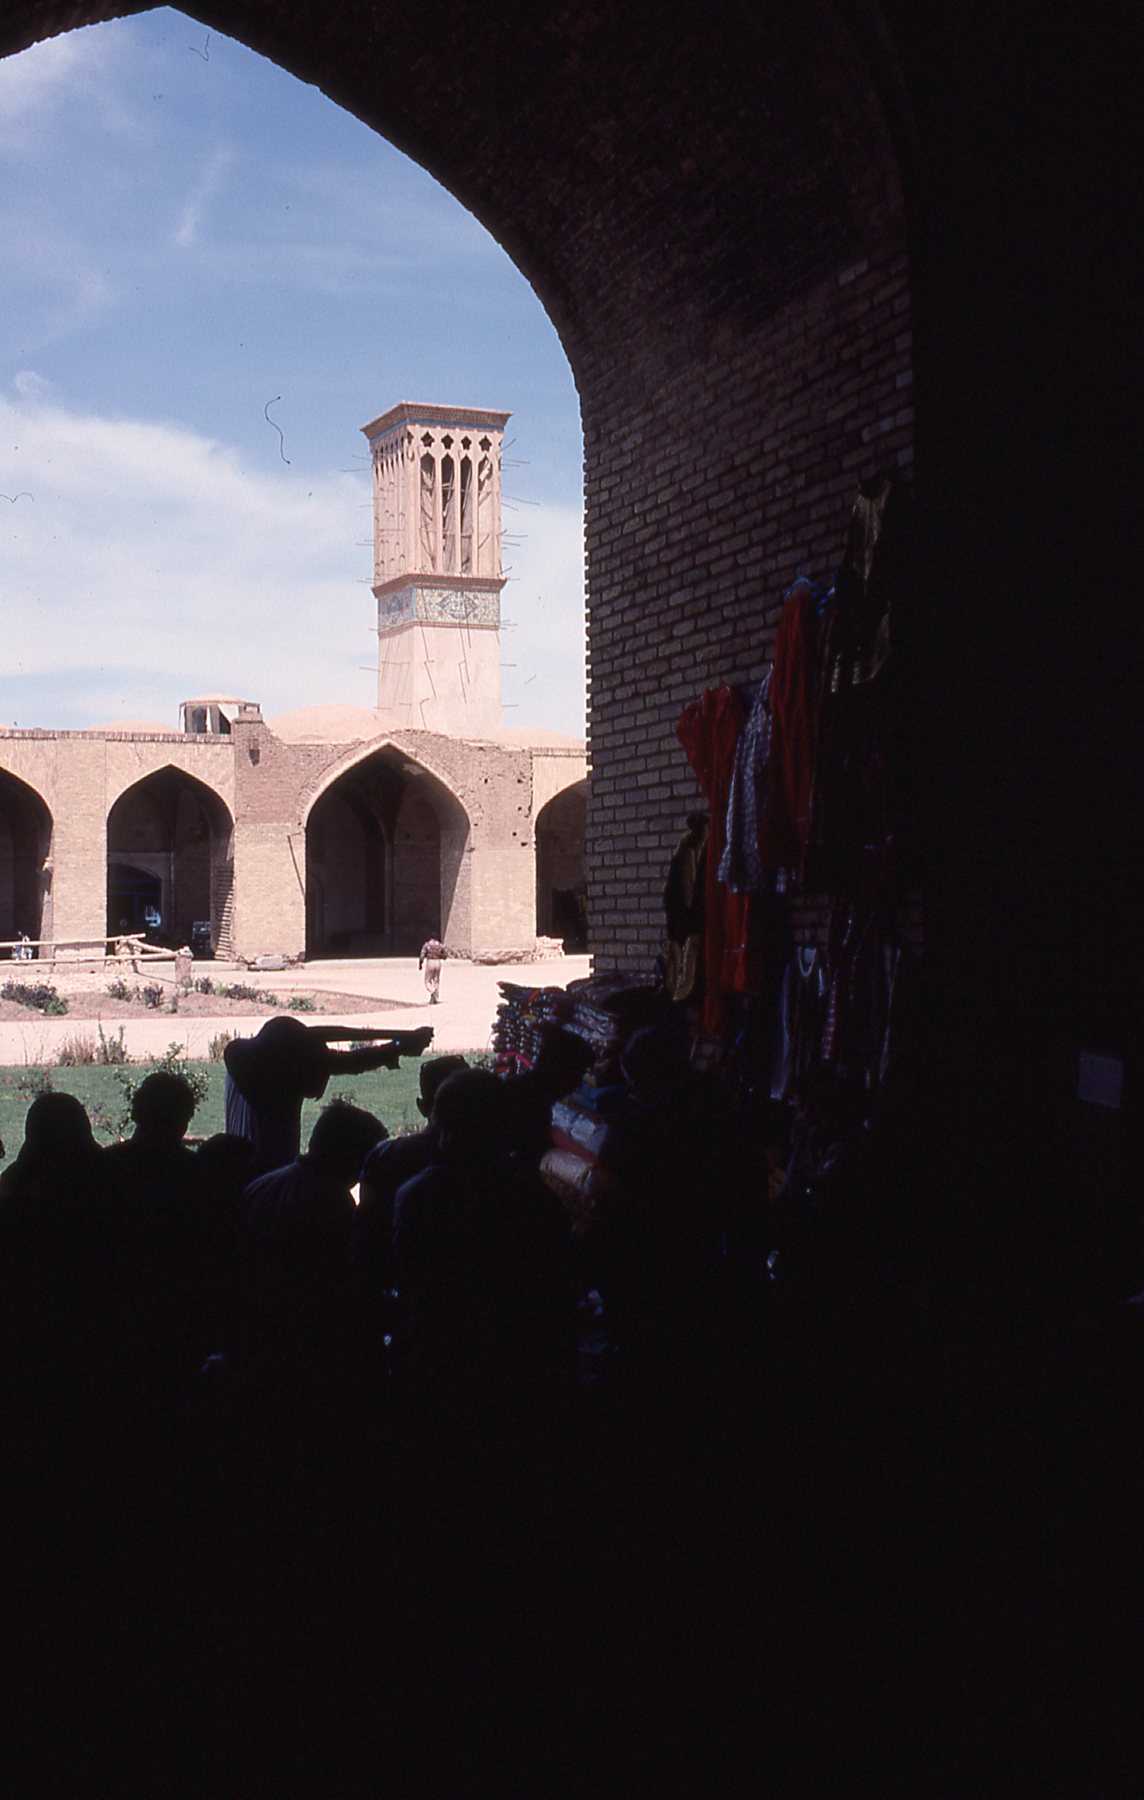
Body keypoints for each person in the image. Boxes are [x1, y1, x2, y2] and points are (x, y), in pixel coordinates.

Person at [223, 1014, 432, 1178]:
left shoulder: (249, 1065)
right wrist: (397, 1048)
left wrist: (396, 1048)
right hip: (266, 1174)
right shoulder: (278, 1088)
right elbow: (343, 1063)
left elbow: (337, 1062)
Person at [418, 935, 446, 1003]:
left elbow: (422, 955)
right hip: (438, 962)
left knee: (427, 981)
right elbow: (445, 956)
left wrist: (420, 964)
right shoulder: (440, 945)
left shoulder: (427, 945)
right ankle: (435, 998)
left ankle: (432, 991)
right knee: (436, 980)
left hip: (430, 962)